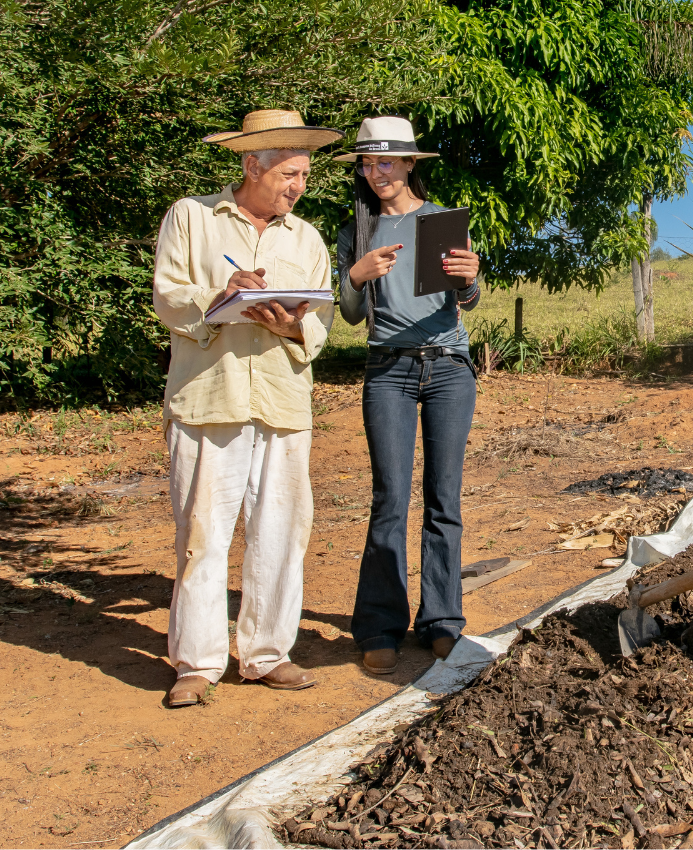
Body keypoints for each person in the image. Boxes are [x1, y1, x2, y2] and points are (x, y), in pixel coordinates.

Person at [152, 109, 343, 708]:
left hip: (283, 402)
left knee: (282, 529)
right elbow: (167, 295)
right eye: (288, 173)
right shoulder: (192, 217)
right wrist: (222, 295)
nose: (298, 186)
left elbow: (321, 324)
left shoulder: (306, 238)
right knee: (202, 533)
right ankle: (197, 663)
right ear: (251, 164)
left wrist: (291, 326)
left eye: (305, 175)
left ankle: (267, 654)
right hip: (211, 396)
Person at [332, 116, 482, 674]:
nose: (375, 173)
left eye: (386, 161)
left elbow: (466, 299)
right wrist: (358, 274)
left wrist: (469, 278)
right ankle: (379, 626)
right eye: (368, 164)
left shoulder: (443, 221)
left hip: (447, 367)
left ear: (411, 163)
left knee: (444, 498)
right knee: (389, 500)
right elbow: (349, 315)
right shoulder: (357, 231)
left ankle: (442, 621)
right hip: (387, 369)